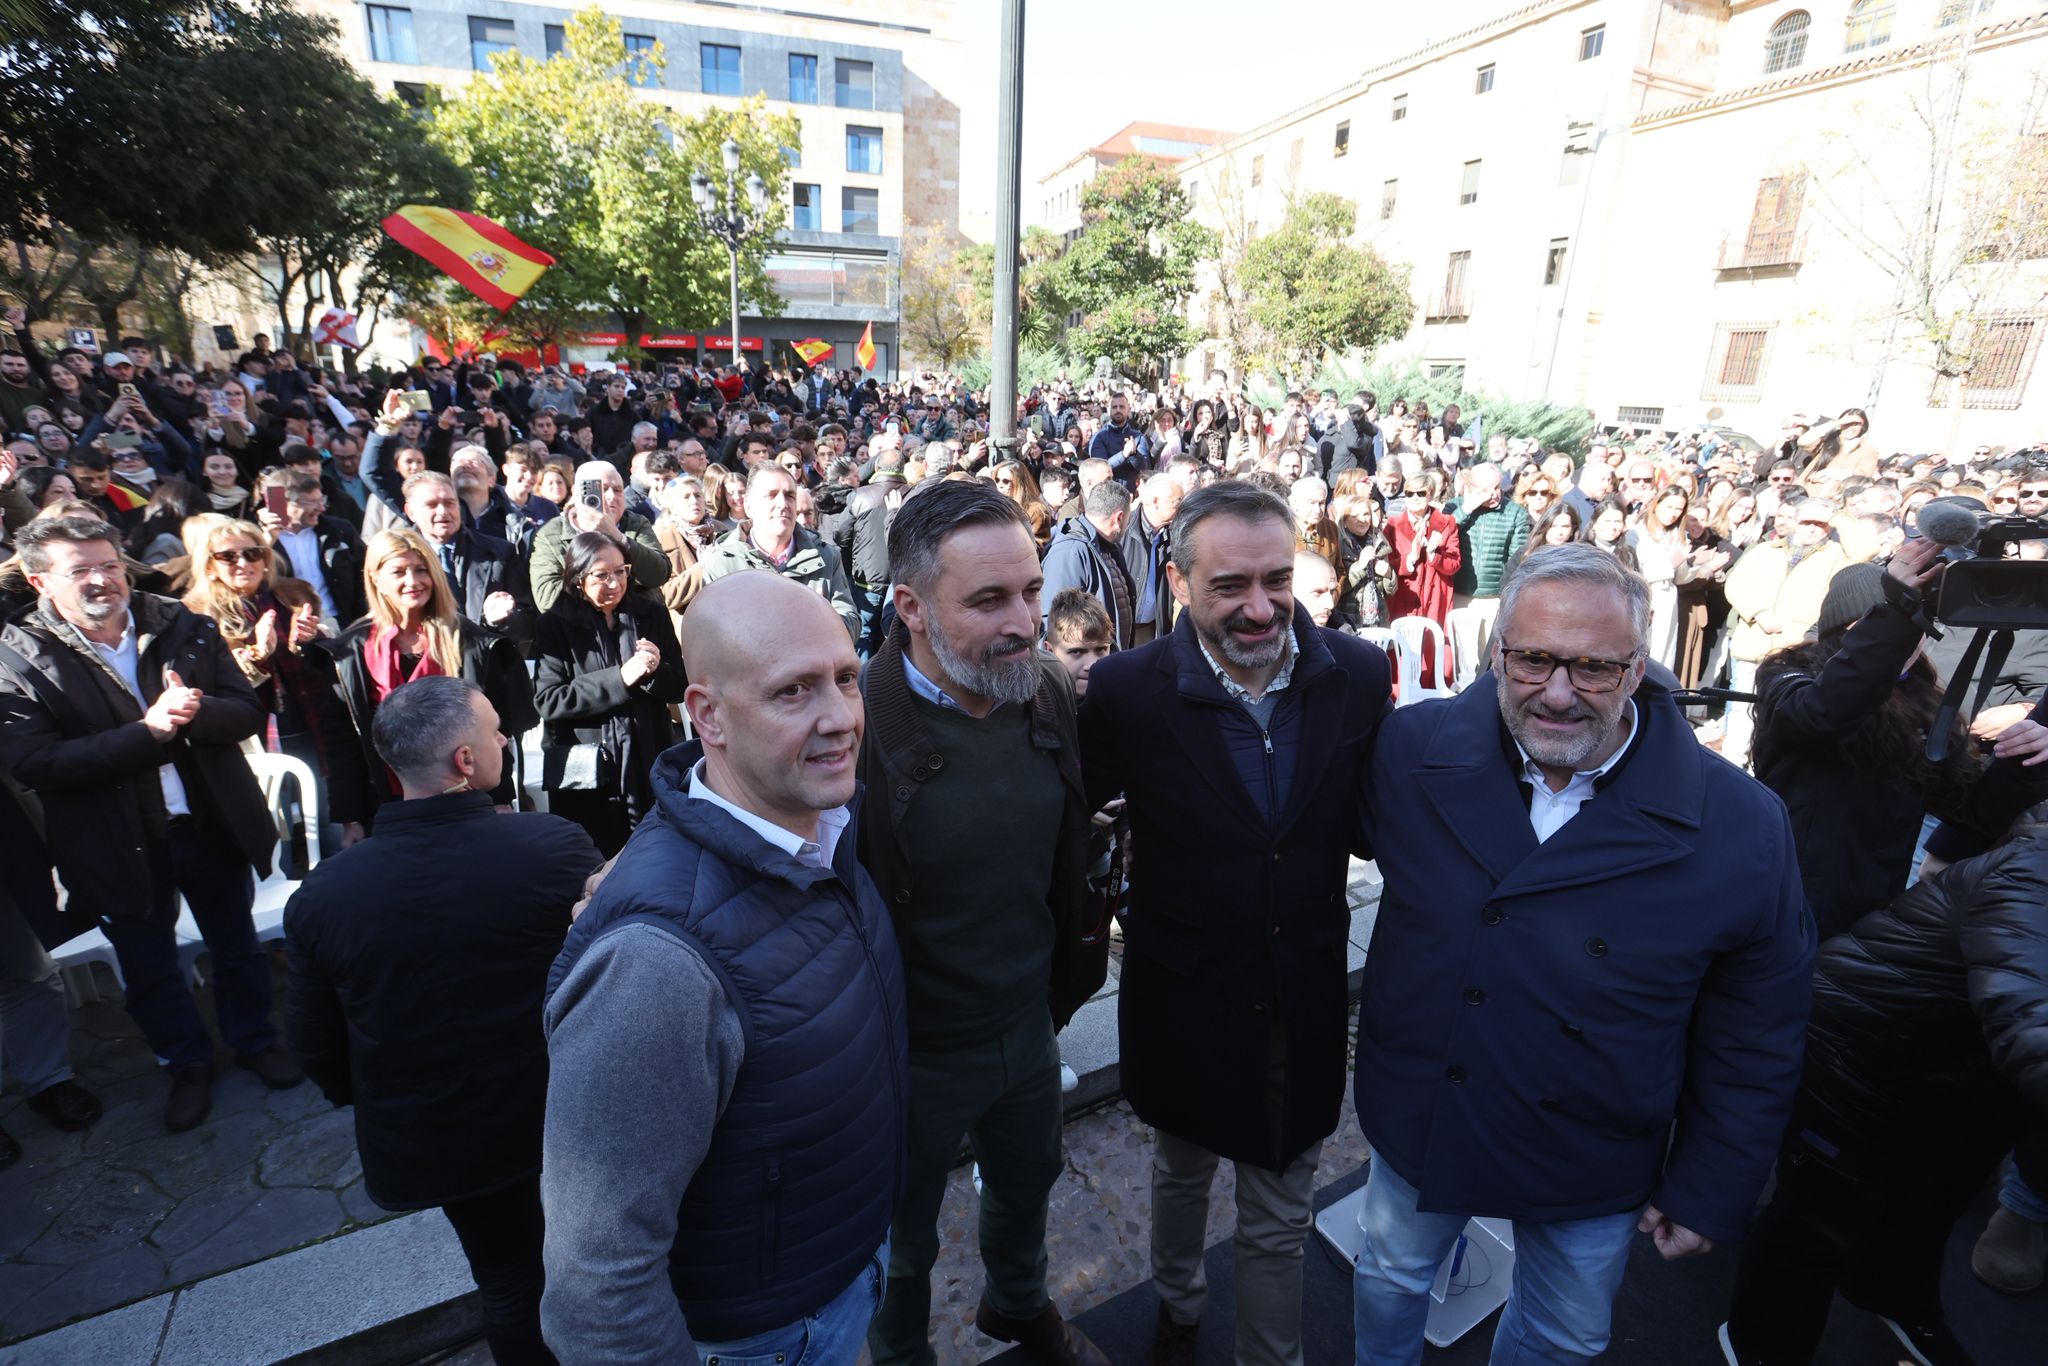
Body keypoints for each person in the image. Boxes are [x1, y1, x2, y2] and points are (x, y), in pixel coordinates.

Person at [1351, 543, 1815, 1365]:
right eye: (1533, 660)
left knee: (1565, 1336)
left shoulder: (1742, 823)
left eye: (1594, 668)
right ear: (1496, 653)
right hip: (1428, 1112)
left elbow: (1760, 1025)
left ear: (1640, 669)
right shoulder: (1411, 751)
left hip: (1594, 1146)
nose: (1558, 694)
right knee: (1390, 1276)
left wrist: (1712, 1181)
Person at [540, 572, 906, 1361]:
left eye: (846, 678)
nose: (841, 717)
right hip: (767, 1336)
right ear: (706, 715)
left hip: (832, 1278)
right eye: (793, 691)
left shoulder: (823, 824)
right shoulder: (653, 966)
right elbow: (598, 1282)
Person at [1079, 480, 1391, 1366]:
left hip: (1303, 994)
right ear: (1178, 582)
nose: (1261, 608)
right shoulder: (1128, 690)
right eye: (1230, 587)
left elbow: (1378, 816)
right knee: (1181, 1168)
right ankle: (1178, 1305)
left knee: (1280, 1209)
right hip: (1183, 996)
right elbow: (1075, 817)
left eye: (1277, 579)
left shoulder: (1359, 675)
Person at [861, 480, 1110, 1366]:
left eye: (1033, 591)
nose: (1025, 622)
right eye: (990, 600)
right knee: (901, 1239)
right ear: (911, 606)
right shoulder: (853, 727)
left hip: (1026, 1029)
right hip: (908, 1055)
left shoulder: (1044, 695)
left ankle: (1017, 1305)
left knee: (1026, 1185)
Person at [285, 676, 600, 1366]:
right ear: (465, 761)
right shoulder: (550, 850)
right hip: (564, 1117)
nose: (504, 740)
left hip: (441, 1141)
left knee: (509, 1281)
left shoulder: (326, 895)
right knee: (597, 1268)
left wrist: (382, 1098)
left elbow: (314, 1047)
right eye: (493, 731)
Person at [0, 515, 304, 1132]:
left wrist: (198, 711)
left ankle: (254, 1039)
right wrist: (147, 734)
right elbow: (34, 762)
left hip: (207, 824)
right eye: (79, 570)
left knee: (237, 945)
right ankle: (186, 1064)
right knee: (148, 967)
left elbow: (248, 710)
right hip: (113, 843)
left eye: (109, 565)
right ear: (40, 581)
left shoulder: (179, 623)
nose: (100, 580)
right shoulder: (17, 655)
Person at [1721, 809, 2048, 1366]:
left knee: (1928, 1208)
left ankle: (1892, 1296)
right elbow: (2027, 1015)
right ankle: (1761, 1345)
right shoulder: (2035, 872)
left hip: (1963, 1079)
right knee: (1815, 1224)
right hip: (1859, 1059)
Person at [1751, 545, 2048, 941]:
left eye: (1916, 628)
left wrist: (2027, 757)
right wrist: (1898, 613)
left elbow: (1972, 807)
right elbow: (1824, 713)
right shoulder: (1789, 675)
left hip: (1868, 912)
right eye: (1872, 627)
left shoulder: (1921, 702)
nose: (1901, 642)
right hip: (1776, 896)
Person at [312, 527, 536, 829]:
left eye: (421, 570)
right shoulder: (350, 651)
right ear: (376, 578)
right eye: (399, 572)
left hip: (466, 800)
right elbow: (344, 742)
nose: (413, 581)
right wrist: (351, 819)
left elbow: (497, 728)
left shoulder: (470, 641)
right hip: (384, 804)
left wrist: (500, 799)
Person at [182, 515, 364, 853]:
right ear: (209, 565)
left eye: (253, 553)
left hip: (312, 720)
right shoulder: (196, 615)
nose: (243, 563)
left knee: (324, 816)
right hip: (251, 735)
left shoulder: (294, 594)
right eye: (228, 556)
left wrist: (311, 641)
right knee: (273, 824)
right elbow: (209, 683)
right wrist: (255, 655)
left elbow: (329, 656)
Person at [533, 531, 688, 856]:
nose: (615, 583)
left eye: (621, 572)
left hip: (648, 760)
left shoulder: (650, 614)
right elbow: (550, 700)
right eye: (602, 575)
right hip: (589, 774)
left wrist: (655, 670)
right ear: (578, 578)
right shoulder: (555, 623)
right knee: (596, 866)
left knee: (661, 858)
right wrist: (620, 678)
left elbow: (681, 685)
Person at [1722, 498, 1852, 766]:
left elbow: (1867, 548)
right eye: (1806, 522)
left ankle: (1766, 763)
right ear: (1794, 521)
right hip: (1753, 640)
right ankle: (1733, 760)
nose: (1812, 529)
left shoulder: (1837, 555)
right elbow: (1735, 584)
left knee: (1780, 708)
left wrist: (1836, 516)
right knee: (1740, 705)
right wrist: (1757, 612)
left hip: (1795, 648)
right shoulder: (1764, 550)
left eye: (1820, 524)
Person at [697, 465, 859, 640]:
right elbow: (715, 638)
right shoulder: (723, 563)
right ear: (749, 506)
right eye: (771, 495)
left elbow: (852, 625)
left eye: (790, 496)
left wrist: (821, 618)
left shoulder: (826, 556)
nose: (783, 504)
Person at [529, 460, 672, 614]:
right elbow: (547, 599)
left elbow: (660, 574)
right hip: (580, 628)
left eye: (618, 490)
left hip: (638, 621)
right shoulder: (550, 534)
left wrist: (616, 536)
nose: (611, 496)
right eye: (602, 489)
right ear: (577, 493)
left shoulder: (635, 523)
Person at [260, 469, 366, 627]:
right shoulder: (257, 538)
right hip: (291, 628)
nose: (321, 508)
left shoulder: (339, 531)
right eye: (310, 502)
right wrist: (267, 540)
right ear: (283, 503)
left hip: (343, 623)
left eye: (321, 499)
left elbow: (364, 573)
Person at [1448, 462, 1530, 663]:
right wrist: (1467, 509)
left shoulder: (1516, 513)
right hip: (1459, 594)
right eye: (1486, 489)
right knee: (1461, 657)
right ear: (1470, 488)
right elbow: (1443, 534)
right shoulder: (1455, 506)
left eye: (1496, 487)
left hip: (1493, 597)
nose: (1493, 494)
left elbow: (1516, 559)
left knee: (1487, 657)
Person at [1041, 479, 1136, 651]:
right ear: (1119, 518)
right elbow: (1052, 624)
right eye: (1128, 519)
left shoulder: (1107, 547)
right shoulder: (1069, 553)